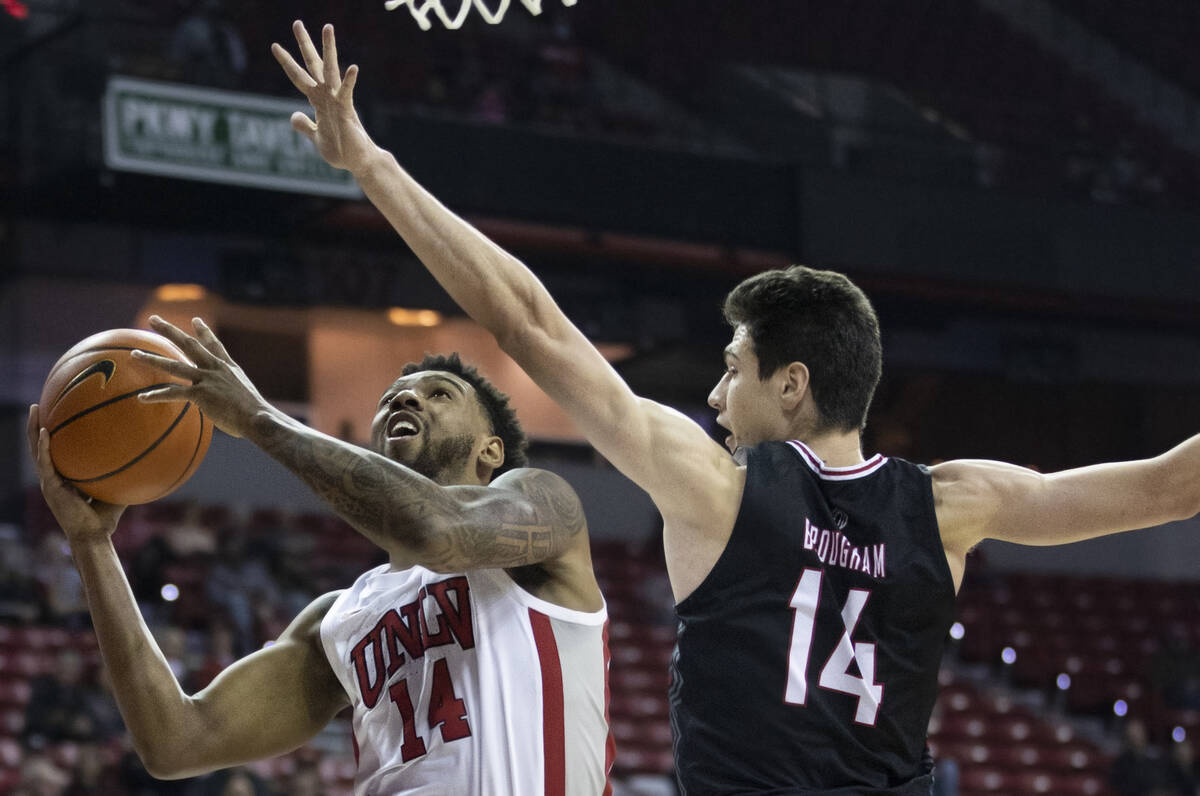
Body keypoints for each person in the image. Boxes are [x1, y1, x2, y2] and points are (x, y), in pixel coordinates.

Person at [274, 20, 1200, 794]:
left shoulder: (714, 487)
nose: (715, 394)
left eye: (732, 368)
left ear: (791, 383)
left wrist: (373, 165)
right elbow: (1166, 488)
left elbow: (527, 322)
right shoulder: (955, 505)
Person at [28, 337, 613, 793]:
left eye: (439, 394)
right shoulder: (340, 617)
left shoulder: (543, 506)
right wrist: (91, 545)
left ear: (492, 450)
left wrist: (260, 418)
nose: (404, 399)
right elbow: (176, 742)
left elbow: (436, 530)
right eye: (391, 399)